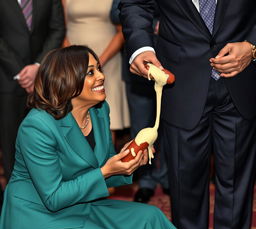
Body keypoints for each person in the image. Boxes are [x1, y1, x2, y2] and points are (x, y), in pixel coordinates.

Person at [0, 45, 176, 229]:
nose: (102, 76)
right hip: (36, 217)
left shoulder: (100, 110)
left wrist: (126, 163)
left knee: (151, 219)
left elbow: (104, 168)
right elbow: (54, 197)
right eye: (91, 72)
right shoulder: (37, 126)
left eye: (99, 69)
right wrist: (106, 171)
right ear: (66, 79)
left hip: (79, 204)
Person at [119, 1, 256, 229]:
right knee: (184, 184)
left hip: (241, 79)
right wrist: (141, 48)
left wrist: (253, 46)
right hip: (179, 81)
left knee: (237, 185)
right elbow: (136, 4)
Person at [0, 0, 65, 186]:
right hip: (7, 78)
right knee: (10, 143)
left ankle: (45, 194)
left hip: (43, 79)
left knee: (45, 142)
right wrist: (20, 71)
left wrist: (38, 67)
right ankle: (16, 200)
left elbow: (57, 29)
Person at [111, 0, 169, 203]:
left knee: (172, 127)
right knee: (141, 128)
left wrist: (171, 24)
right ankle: (145, 181)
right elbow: (115, 12)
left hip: (174, 66)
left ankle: (168, 178)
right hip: (139, 69)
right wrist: (152, 25)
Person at [61, 0, 130, 144]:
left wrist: (98, 63)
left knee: (108, 119)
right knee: (73, 113)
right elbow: (61, 28)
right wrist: (74, 59)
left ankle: (105, 162)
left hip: (108, 61)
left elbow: (123, 30)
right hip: (74, 64)